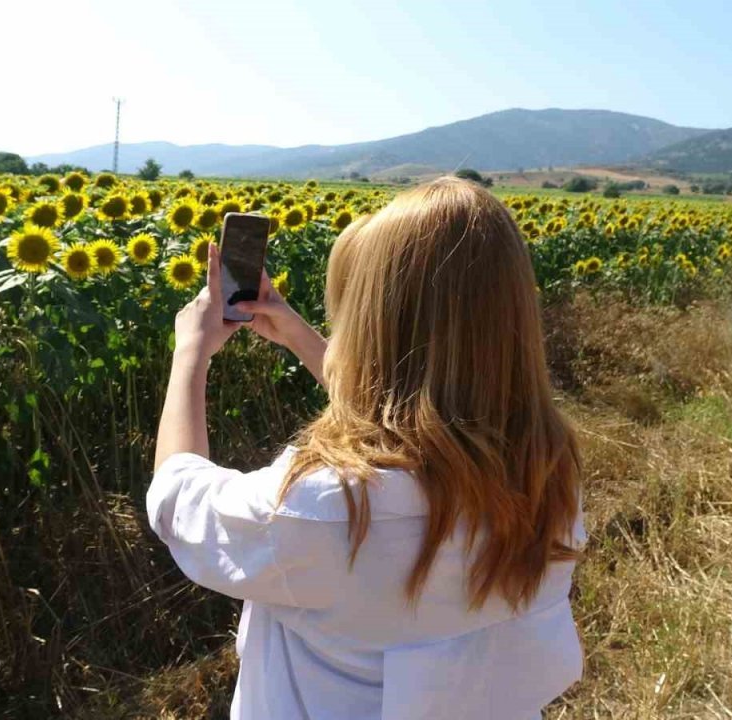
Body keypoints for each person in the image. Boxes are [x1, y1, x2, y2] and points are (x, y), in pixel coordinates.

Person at [148, 176, 587, 720]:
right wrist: (294, 332)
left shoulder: (328, 510)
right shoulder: (547, 476)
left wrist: (190, 354)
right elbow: (414, 411)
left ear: (372, 330)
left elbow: (177, 497)